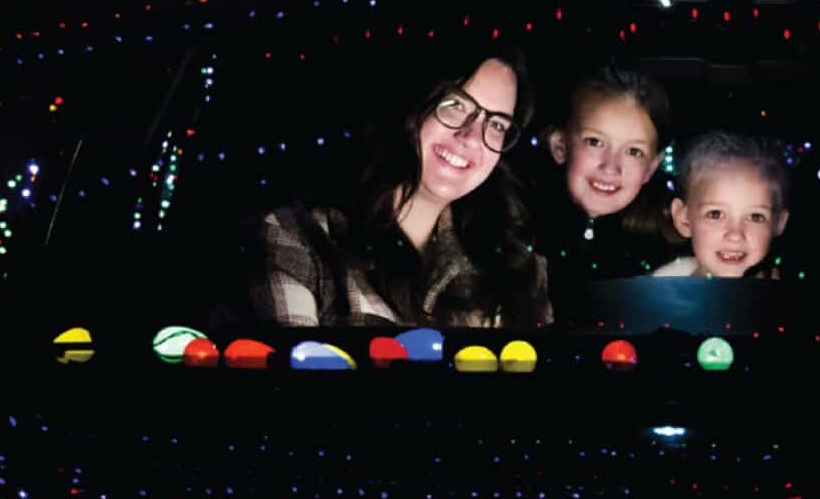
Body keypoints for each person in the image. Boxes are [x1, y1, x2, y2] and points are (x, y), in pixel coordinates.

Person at [250, 46, 551, 328]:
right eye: (456, 105)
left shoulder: (516, 271)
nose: (471, 137)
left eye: (496, 125)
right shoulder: (299, 239)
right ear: (416, 100)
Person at [533, 64, 675, 322]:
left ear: (650, 168)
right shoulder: (518, 227)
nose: (611, 167)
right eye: (595, 142)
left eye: (633, 151)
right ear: (560, 145)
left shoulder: (668, 250)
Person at [651, 131, 790, 278]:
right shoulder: (655, 290)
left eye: (755, 217)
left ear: (778, 223)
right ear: (684, 218)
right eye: (715, 214)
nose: (735, 235)